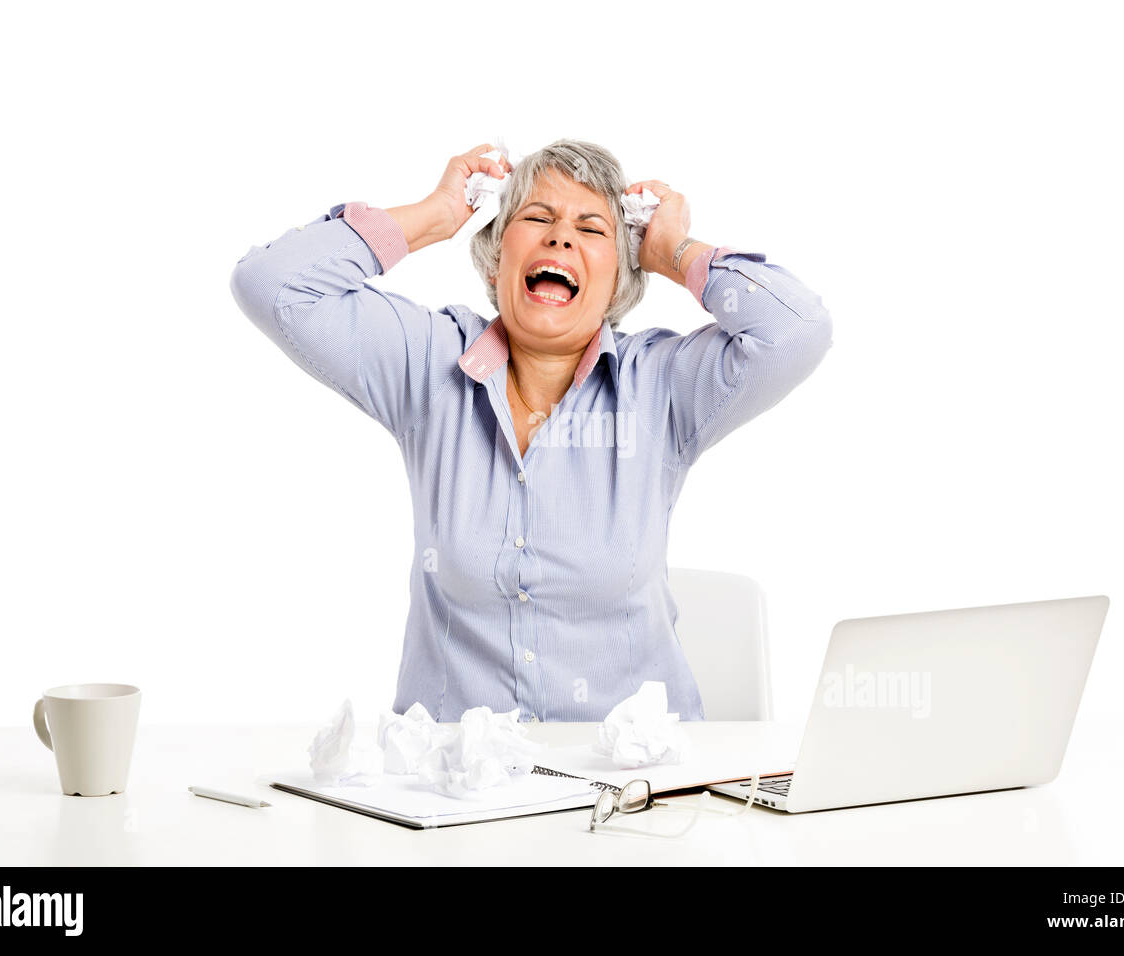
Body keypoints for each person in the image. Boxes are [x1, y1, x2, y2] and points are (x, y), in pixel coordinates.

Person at [229, 139, 833, 722]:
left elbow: (797, 329)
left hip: (629, 788)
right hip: (454, 791)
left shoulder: (662, 387)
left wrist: (676, 250)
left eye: (592, 229)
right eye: (537, 216)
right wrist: (433, 217)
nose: (561, 235)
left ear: (620, 281)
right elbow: (271, 283)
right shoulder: (428, 363)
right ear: (496, 259)